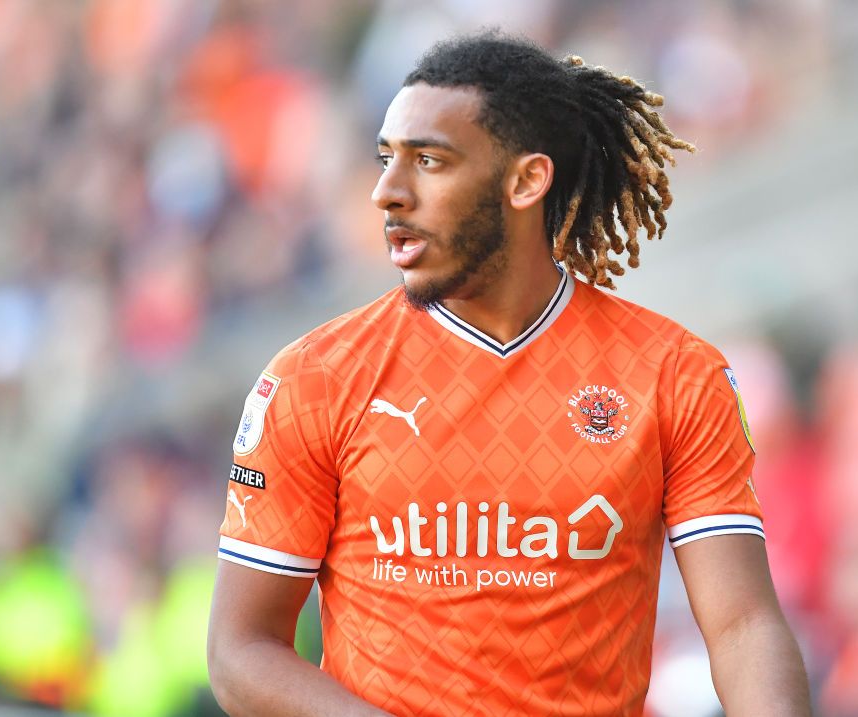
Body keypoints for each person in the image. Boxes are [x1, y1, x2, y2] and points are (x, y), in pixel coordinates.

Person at [207, 32, 811, 717]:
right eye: (385, 160)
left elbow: (743, 628)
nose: (386, 192)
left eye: (428, 161)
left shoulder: (673, 374)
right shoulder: (313, 379)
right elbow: (240, 648)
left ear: (527, 180)